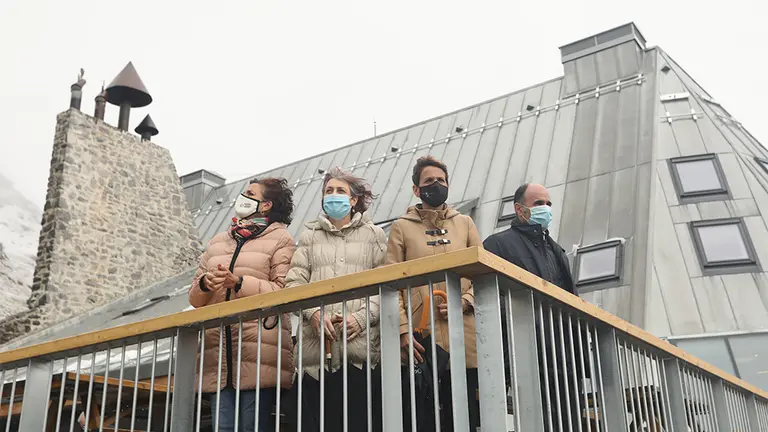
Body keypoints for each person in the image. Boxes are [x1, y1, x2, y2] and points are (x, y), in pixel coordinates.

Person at [189, 177, 296, 432]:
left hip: (259, 355)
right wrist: (206, 283)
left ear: (266, 205)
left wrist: (238, 283)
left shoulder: (281, 239)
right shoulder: (217, 242)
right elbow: (194, 299)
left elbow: (284, 291)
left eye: (249, 193)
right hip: (219, 359)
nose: (242, 197)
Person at [285, 167, 387, 431]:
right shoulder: (308, 237)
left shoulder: (374, 235)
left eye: (340, 191)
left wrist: (363, 318)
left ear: (353, 200)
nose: (333, 195)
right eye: (328, 191)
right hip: (314, 360)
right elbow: (294, 284)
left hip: (360, 356)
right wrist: (314, 314)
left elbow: (387, 287)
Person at [386, 156, 482, 431]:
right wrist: (403, 330)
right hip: (421, 341)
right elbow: (390, 285)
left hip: (464, 340)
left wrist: (464, 302)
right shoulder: (401, 227)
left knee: (467, 418)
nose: (436, 185)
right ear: (416, 189)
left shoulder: (465, 224)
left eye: (441, 180)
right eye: (429, 181)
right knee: (424, 419)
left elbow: (483, 274)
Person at [482, 182, 580, 431]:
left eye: (548, 204)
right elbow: (494, 299)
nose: (545, 208)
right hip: (525, 353)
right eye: (538, 203)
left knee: (567, 422)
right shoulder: (497, 245)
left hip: (562, 354)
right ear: (519, 209)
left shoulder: (556, 250)